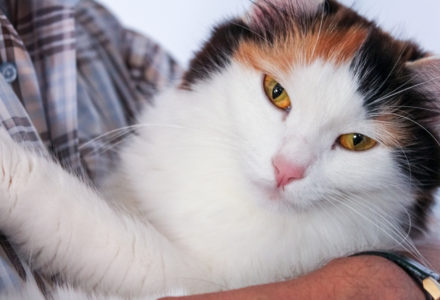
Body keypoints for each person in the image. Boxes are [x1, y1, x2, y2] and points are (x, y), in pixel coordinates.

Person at [0, 1, 438, 299]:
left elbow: (169, 278)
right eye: (278, 94)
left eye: (355, 141)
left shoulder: (86, 25)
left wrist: (18, 185)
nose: (288, 164)